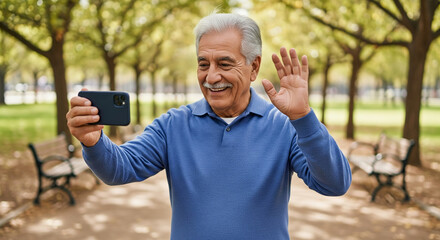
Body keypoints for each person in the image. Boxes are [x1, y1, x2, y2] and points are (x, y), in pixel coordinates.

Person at [66, 13, 351, 240]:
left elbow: (334, 184)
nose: (211, 77)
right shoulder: (172, 125)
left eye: (225, 64)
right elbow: (118, 169)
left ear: (254, 67)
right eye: (203, 64)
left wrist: (303, 118)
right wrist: (94, 142)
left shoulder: (285, 127)